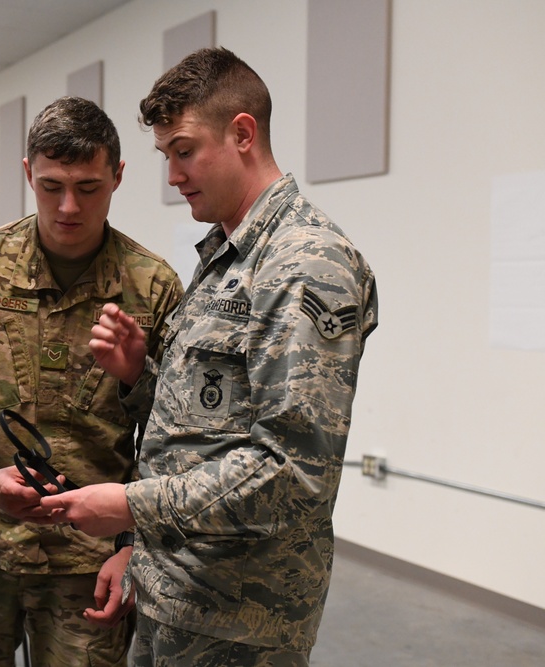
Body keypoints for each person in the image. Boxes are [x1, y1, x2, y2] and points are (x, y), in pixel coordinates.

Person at [40, 48, 379, 666]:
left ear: (242, 133)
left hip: (241, 616)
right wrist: (140, 377)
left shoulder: (303, 264)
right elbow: (209, 426)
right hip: (180, 590)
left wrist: (128, 507)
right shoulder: (229, 253)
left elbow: (290, 471)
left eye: (184, 150)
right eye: (166, 154)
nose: (172, 175)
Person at [0, 96, 183, 667]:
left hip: (89, 560)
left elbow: (174, 432)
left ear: (118, 176)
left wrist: (134, 546)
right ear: (26, 174)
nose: (68, 206)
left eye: (88, 188)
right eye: (50, 186)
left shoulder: (152, 287)